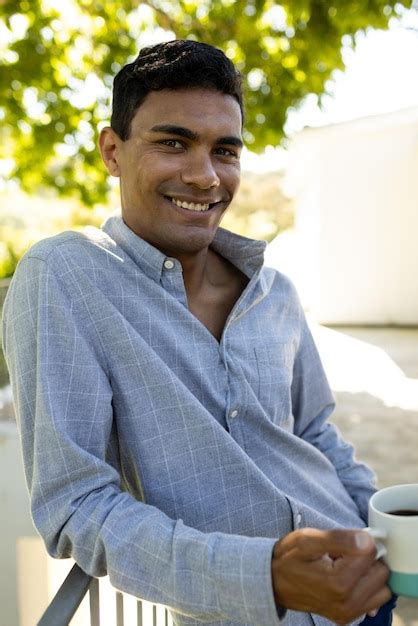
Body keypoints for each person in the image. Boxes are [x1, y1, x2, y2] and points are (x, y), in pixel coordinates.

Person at [2, 40, 395, 625]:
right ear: (113, 150)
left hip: (368, 598)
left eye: (225, 150)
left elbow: (316, 433)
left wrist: (387, 529)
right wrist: (262, 577)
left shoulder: (276, 292)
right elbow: (76, 506)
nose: (204, 175)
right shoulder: (65, 277)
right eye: (172, 142)